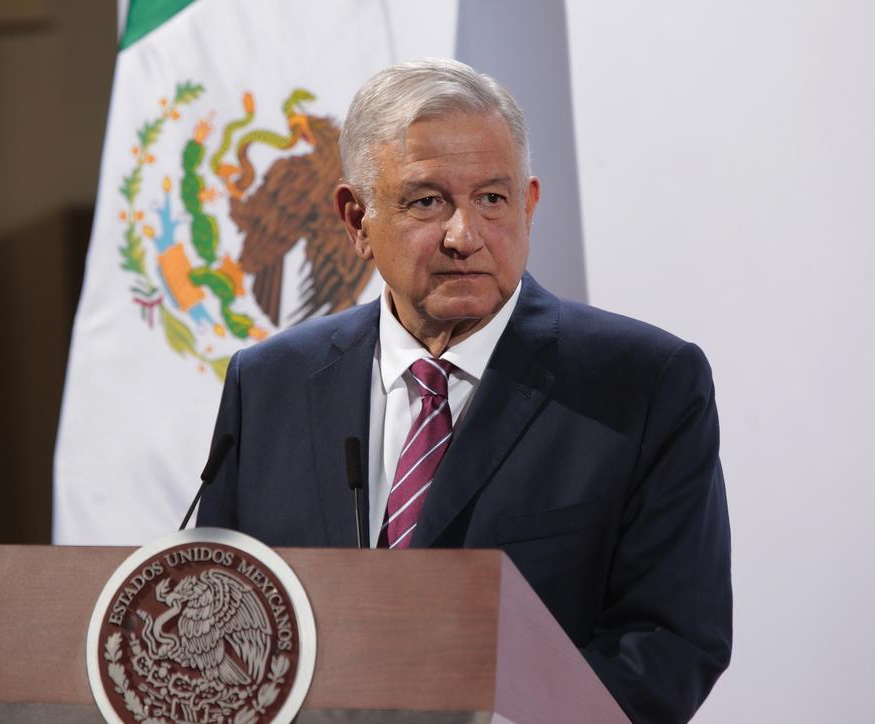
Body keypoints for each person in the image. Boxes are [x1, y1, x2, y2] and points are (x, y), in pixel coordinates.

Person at [197, 58, 731, 724]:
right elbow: (214, 606)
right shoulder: (269, 383)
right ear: (356, 219)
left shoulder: (643, 383)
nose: (464, 235)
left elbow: (670, 642)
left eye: (492, 199)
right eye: (427, 201)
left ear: (528, 206)